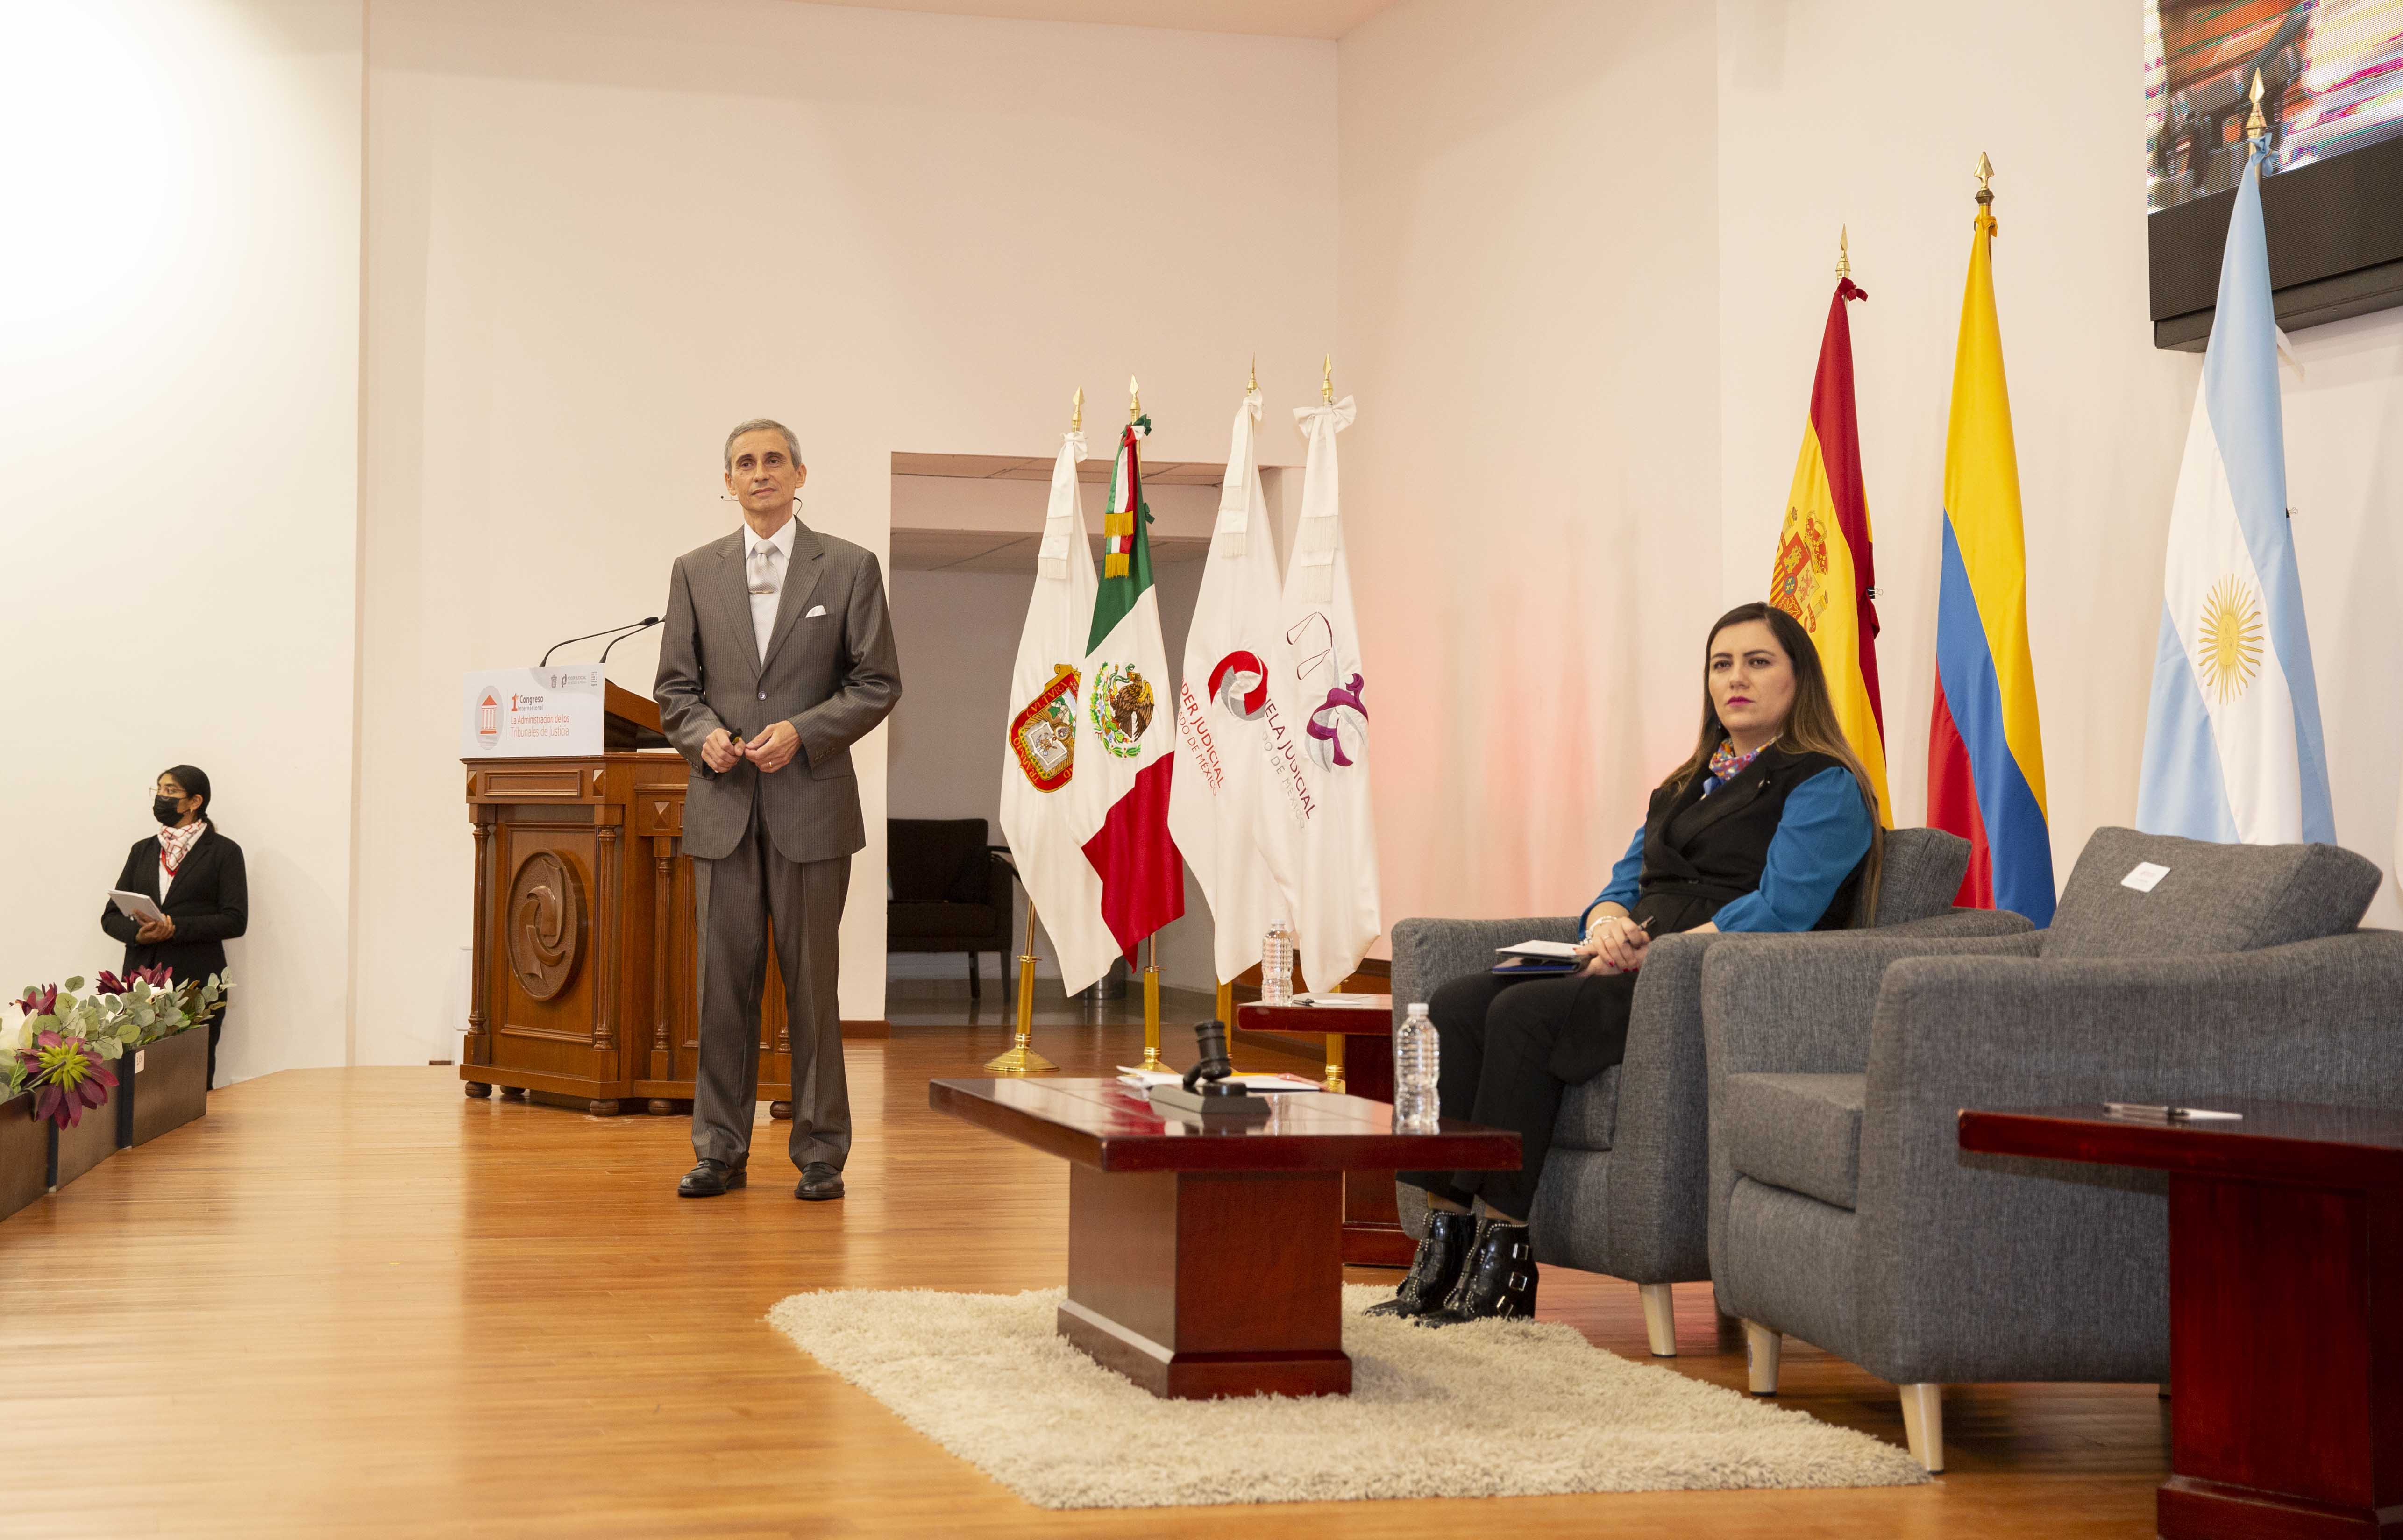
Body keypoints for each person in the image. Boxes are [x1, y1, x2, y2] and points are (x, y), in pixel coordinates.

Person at [1384, 602, 1882, 1326]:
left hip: (1705, 980)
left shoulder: (1824, 784)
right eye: (1722, 664)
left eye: (1758, 661)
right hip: (1631, 961)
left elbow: (1783, 909)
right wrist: (1609, 925)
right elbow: (1622, 885)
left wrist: (1665, 952)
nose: (1735, 678)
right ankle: (1443, 1238)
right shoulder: (1684, 783)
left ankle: (1505, 1256)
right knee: (1455, 1005)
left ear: (1799, 678)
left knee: (1523, 1015)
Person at [654, 418, 901, 1201]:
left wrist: (803, 730)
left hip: (812, 810)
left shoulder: (850, 568)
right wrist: (704, 738)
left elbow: (875, 683)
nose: (758, 473)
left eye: (772, 460)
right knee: (721, 989)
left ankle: (821, 1151)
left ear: (800, 474)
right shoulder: (694, 571)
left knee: (811, 985)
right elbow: (675, 690)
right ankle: (718, 1149)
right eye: (742, 463)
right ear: (725, 482)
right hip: (723, 810)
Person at [100, 765, 247, 1087]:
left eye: (170, 791)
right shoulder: (143, 850)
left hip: (197, 982)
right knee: (139, 1081)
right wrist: (138, 933)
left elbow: (236, 920)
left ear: (195, 801)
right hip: (142, 983)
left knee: (191, 1081)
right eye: (159, 790)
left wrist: (175, 927)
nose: (161, 797)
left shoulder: (224, 852)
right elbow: (110, 916)